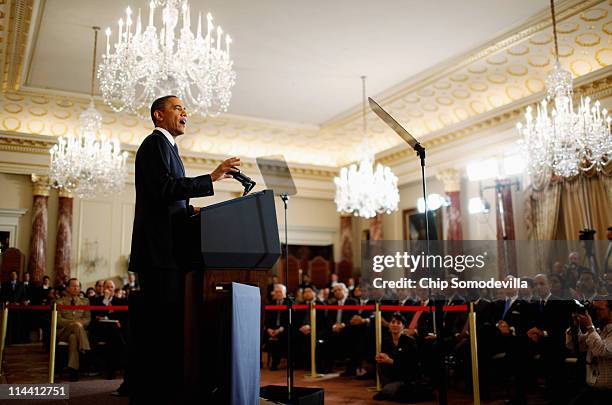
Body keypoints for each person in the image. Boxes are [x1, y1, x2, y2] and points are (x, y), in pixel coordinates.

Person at [128, 95, 239, 404]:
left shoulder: (170, 149)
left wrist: (192, 212)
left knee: (169, 330)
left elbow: (170, 199)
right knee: (160, 332)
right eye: (178, 108)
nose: (185, 112)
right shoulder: (155, 145)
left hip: (169, 253)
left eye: (184, 109)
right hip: (159, 254)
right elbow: (164, 189)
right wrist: (212, 177)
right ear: (158, 115)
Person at [566, 298, 612, 404]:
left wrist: (590, 327)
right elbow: (573, 345)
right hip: (594, 388)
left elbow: (602, 351)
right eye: (593, 309)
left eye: (599, 309)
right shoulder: (600, 330)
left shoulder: (596, 330)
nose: (595, 313)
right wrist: (575, 326)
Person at [56, 278, 91, 381]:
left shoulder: (85, 301)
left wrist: (78, 325)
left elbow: (87, 319)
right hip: (63, 332)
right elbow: (58, 321)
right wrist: (74, 323)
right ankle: (86, 349)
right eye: (73, 286)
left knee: (73, 338)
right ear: (67, 288)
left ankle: (73, 371)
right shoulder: (60, 301)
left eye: (78, 286)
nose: (76, 288)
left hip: (78, 334)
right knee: (75, 327)